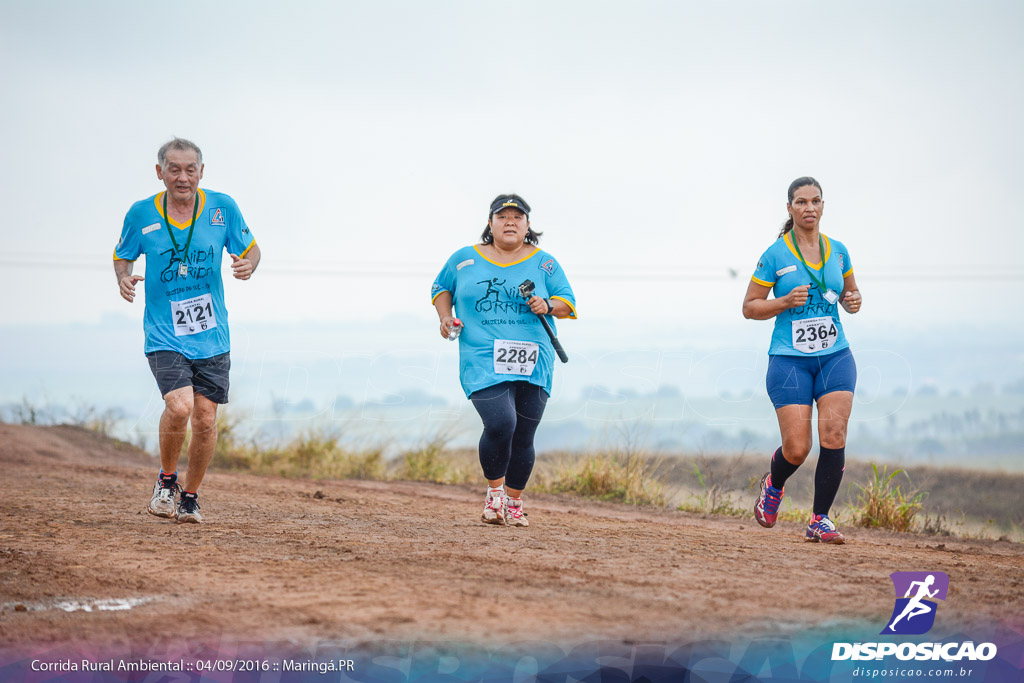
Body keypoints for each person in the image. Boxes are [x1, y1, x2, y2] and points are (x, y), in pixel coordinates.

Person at [113, 137, 260, 524]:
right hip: (165, 333)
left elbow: (251, 250)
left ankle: (190, 497)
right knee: (179, 407)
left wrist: (249, 265)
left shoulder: (222, 208)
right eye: (174, 169)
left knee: (206, 418)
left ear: (201, 172)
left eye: (190, 169)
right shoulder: (141, 213)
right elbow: (122, 255)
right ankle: (166, 481)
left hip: (212, 334)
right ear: (160, 172)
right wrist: (123, 279)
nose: (182, 177)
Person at [431, 194, 577, 527]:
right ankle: (494, 496)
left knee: (524, 433)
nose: (509, 222)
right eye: (502, 216)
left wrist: (548, 305)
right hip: (482, 355)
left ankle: (514, 502)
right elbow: (441, 288)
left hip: (533, 357)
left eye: (517, 217)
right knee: (501, 423)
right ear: (490, 223)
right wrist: (445, 317)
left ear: (528, 225)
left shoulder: (545, 264)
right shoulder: (464, 258)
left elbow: (567, 302)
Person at [742, 177, 862, 544]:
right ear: (790, 208)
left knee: (834, 433)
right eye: (800, 202)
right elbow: (749, 307)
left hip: (835, 355)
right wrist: (783, 302)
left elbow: (851, 292)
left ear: (823, 206)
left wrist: (853, 301)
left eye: (815, 201)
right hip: (790, 361)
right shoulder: (775, 254)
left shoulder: (838, 250)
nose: (809, 208)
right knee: (798, 448)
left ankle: (819, 519)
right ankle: (773, 484)